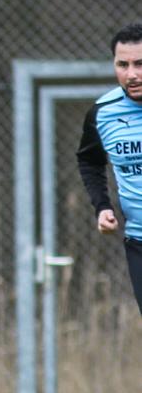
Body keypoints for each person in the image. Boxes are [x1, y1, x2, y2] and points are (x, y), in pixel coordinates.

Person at [76, 23, 142, 315]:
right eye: (123, 64)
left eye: (141, 64)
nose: (132, 74)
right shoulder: (103, 113)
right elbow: (89, 160)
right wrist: (102, 206)